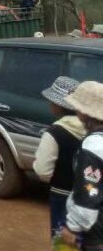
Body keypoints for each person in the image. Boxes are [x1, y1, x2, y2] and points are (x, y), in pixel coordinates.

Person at [34, 76, 85, 241]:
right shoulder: (95, 131)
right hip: (90, 196)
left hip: (62, 195)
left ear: (57, 105)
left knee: (64, 244)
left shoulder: (54, 133)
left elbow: (42, 171)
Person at [59, 81, 103, 251]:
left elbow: (89, 192)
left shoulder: (93, 146)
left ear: (85, 112)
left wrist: (72, 227)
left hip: (95, 232)